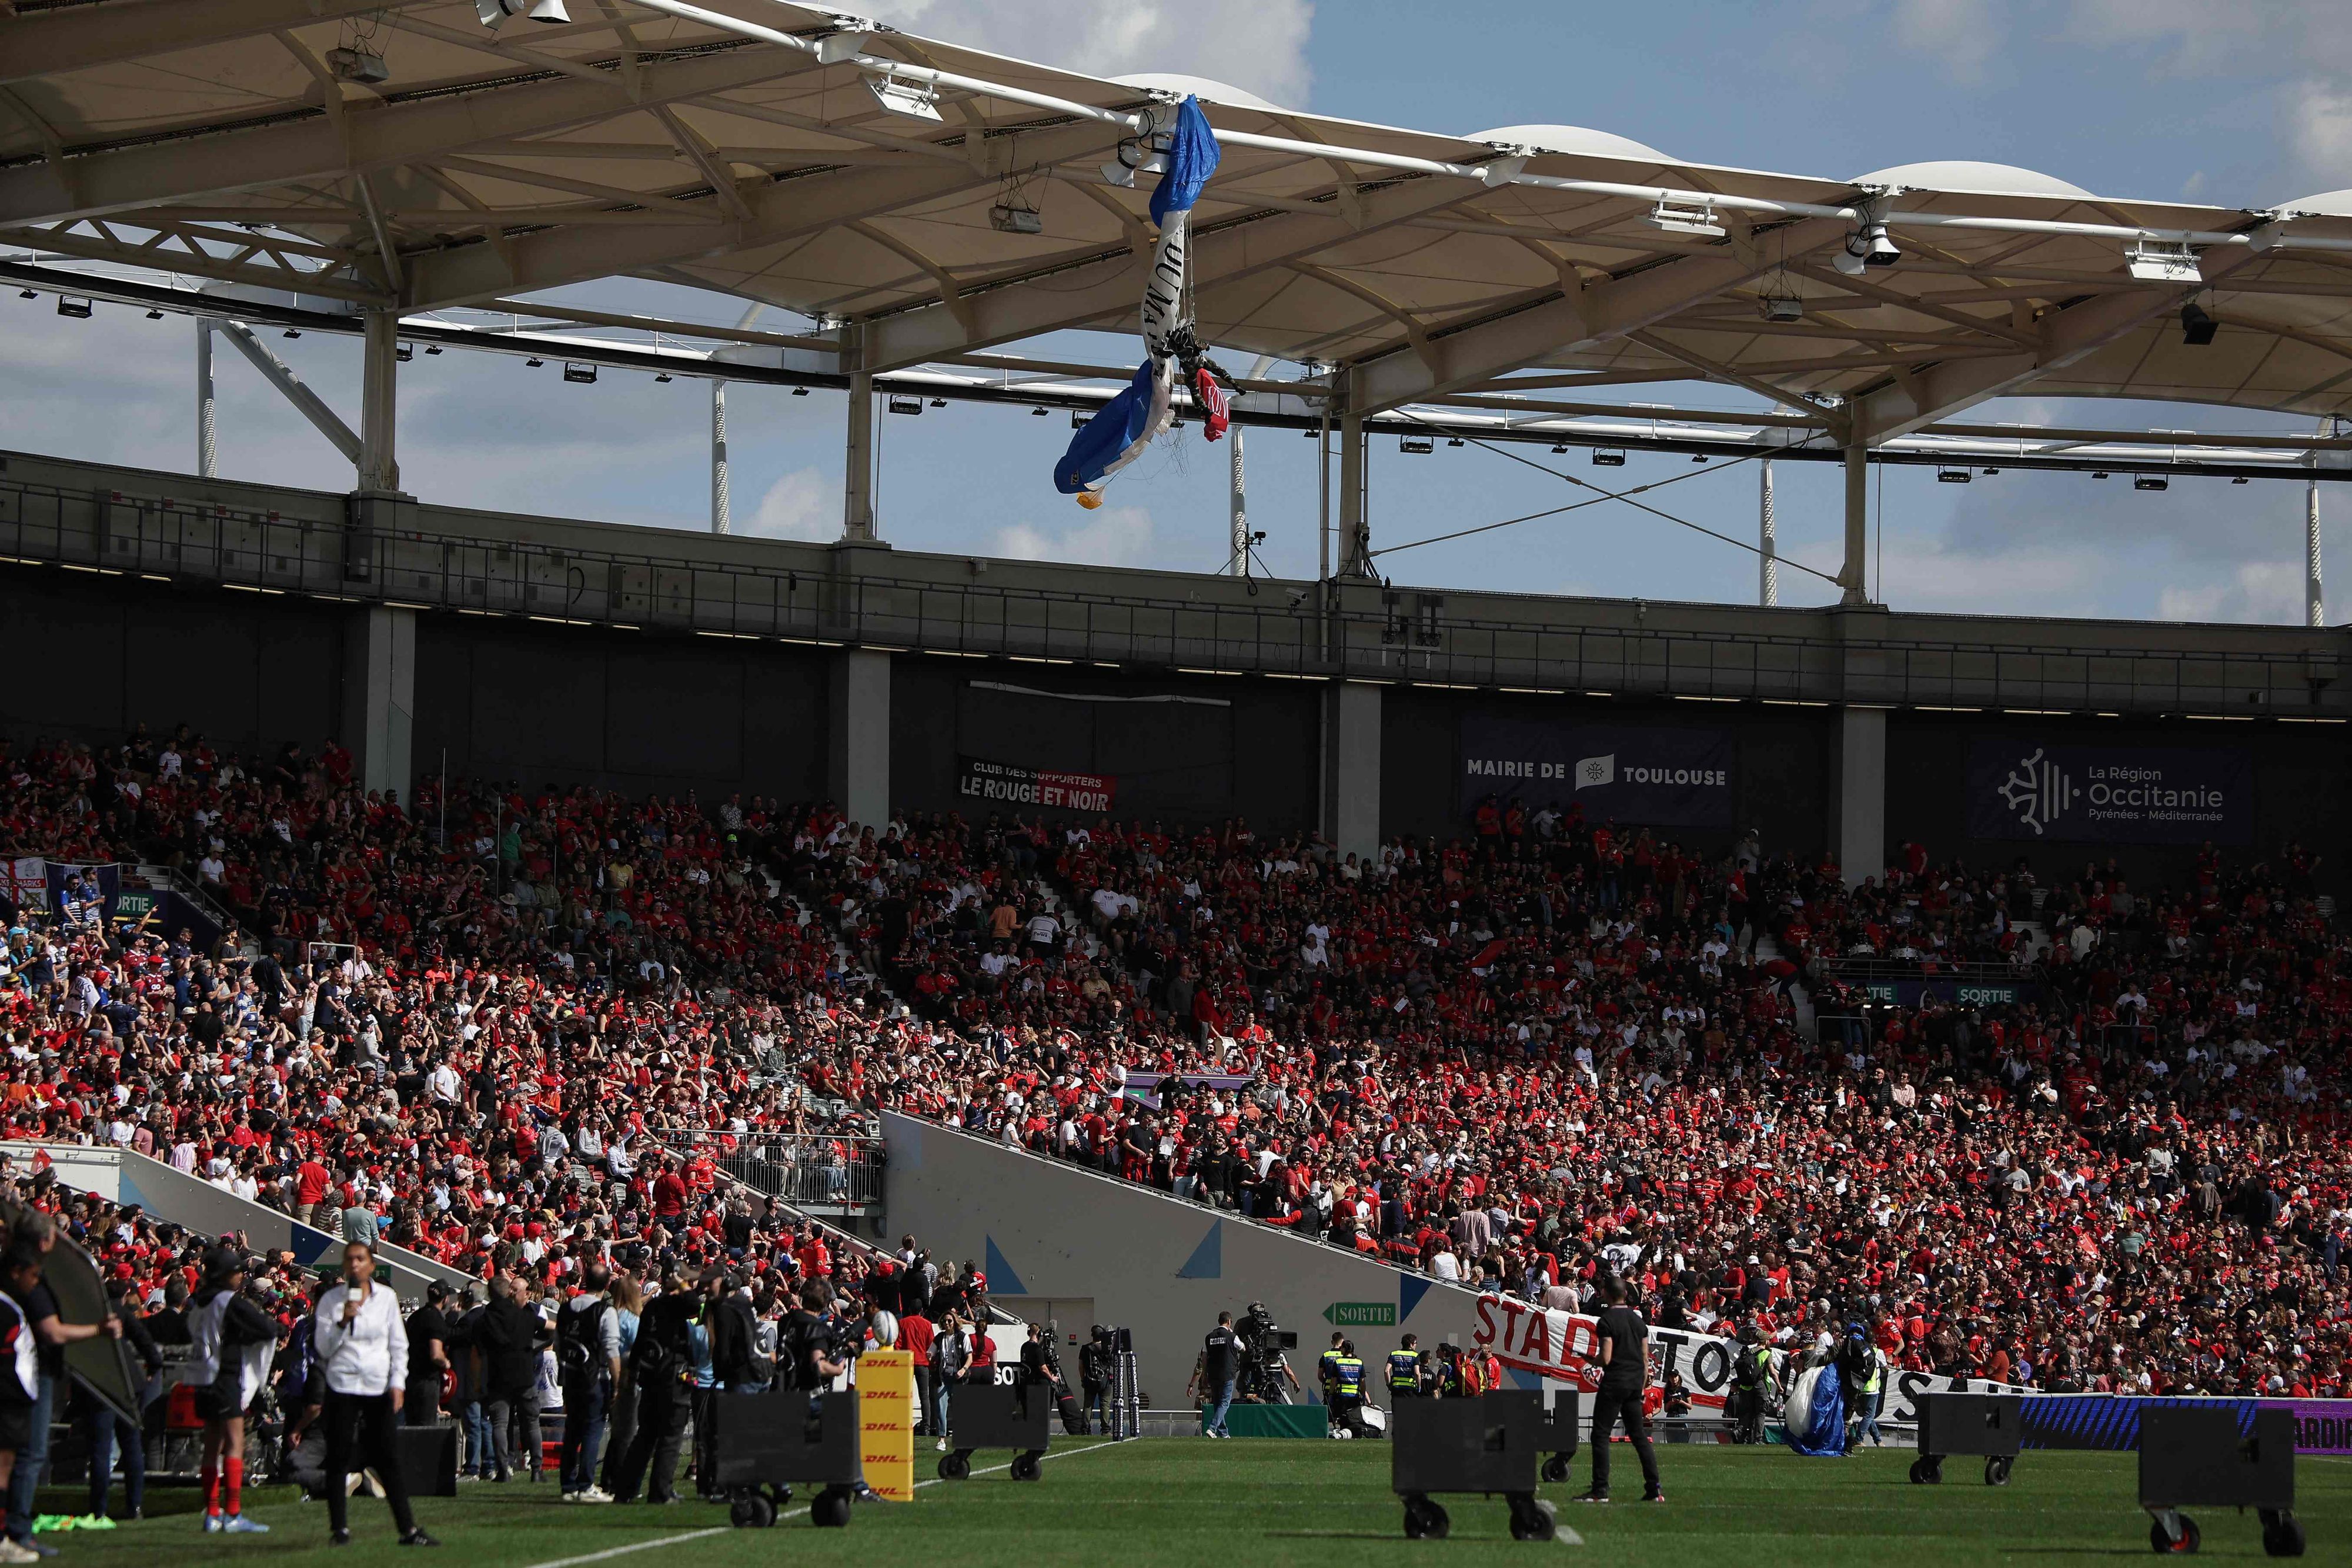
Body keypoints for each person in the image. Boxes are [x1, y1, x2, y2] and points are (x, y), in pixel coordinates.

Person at [313, 1240, 437, 1547]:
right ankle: (339, 1530)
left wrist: (398, 1382)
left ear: (371, 1265)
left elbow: (398, 1344)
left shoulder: (386, 1298)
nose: (355, 1264)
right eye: (349, 1259)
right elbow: (323, 1348)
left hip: (377, 1384)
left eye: (360, 1259)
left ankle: (408, 1529)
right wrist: (343, 1321)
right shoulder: (331, 1300)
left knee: (387, 1457)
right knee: (338, 1457)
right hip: (342, 1383)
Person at [189, 1246, 275, 1533]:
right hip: (224, 1376)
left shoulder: (200, 1301)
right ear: (225, 1275)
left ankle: (212, 1513)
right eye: (236, 1271)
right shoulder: (228, 1301)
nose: (240, 1276)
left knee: (211, 1447)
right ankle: (234, 1513)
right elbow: (266, 1328)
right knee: (234, 1443)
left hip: (201, 1378)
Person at [75, 1279, 160, 1524]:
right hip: (127, 1383)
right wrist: (154, 1364)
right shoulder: (121, 1312)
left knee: (100, 1449)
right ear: (124, 1296)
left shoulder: (87, 1313)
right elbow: (144, 1339)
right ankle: (135, 1506)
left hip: (100, 1384)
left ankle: (99, 1509)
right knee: (131, 1445)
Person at [609, 1272, 695, 1506]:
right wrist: (683, 1284)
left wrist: (632, 1374)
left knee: (645, 1437)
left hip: (650, 1379)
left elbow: (640, 1345)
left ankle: (625, 1490)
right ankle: (660, 1491)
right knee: (670, 1438)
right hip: (671, 1378)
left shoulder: (652, 1308)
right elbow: (694, 1305)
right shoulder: (675, 1305)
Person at [1577, 1278, 1662, 1505]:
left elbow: (1606, 1358)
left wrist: (1590, 1360)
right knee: (1639, 1436)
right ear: (1626, 1294)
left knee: (1600, 1434)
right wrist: (1641, 1388)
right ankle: (1654, 1488)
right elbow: (1645, 1360)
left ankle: (1600, 1489)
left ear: (1606, 1294)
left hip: (1615, 1382)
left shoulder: (1607, 1320)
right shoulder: (1638, 1322)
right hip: (1634, 1383)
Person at [556, 1265, 621, 1503]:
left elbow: (559, 1343)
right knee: (593, 1430)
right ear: (607, 1285)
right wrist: (618, 1384)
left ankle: (568, 1485)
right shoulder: (605, 1311)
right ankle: (586, 1485)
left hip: (572, 1376)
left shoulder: (566, 1309)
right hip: (596, 1377)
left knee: (572, 1430)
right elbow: (612, 1350)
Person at [0, 1243, 46, 1566]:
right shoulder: (5, 1309)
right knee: (3, 1470)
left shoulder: (11, 1305)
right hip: (7, 1398)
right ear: (16, 1273)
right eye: (33, 1275)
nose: (36, 1282)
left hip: (13, 1399)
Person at [405, 1282, 453, 1427]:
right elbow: (436, 1355)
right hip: (427, 1381)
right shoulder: (436, 1320)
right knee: (425, 1429)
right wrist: (446, 1363)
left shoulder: (415, 1316)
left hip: (410, 1379)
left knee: (410, 1426)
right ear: (445, 1299)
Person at [1200, 1312, 1242, 1439]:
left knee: (1218, 1404)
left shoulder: (1209, 1337)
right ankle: (1212, 1428)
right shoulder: (1232, 1336)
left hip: (1213, 1374)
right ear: (1229, 1322)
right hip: (1227, 1374)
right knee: (1224, 1404)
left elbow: (1205, 1357)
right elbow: (1243, 1348)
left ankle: (1223, 1433)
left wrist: (1204, 1375)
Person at [1730, 1322, 1771, 1445]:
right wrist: (1779, 1386)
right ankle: (1758, 1439)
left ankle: (1740, 1432)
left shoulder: (1748, 1351)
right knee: (1760, 1413)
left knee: (1748, 1412)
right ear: (1766, 1341)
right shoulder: (1767, 1353)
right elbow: (1772, 1372)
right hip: (1759, 1385)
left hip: (1746, 1386)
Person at [1325, 1338, 1367, 1437]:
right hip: (1355, 1397)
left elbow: (1334, 1381)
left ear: (1344, 1349)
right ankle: (1353, 1436)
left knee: (1343, 1420)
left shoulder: (1338, 1362)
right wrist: (1363, 1396)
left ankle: (1344, 1436)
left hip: (1342, 1397)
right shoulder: (1359, 1363)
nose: (1340, 1350)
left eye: (1342, 1348)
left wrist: (1330, 1394)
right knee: (1353, 1419)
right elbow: (1362, 1382)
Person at [1386, 1333, 1427, 1400]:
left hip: (1396, 1390)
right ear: (1411, 1345)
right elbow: (1417, 1373)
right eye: (1415, 1343)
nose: (1416, 1345)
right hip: (1409, 1390)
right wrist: (1419, 1386)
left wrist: (1389, 1384)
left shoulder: (1394, 1354)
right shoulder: (1415, 1356)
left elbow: (1386, 1371)